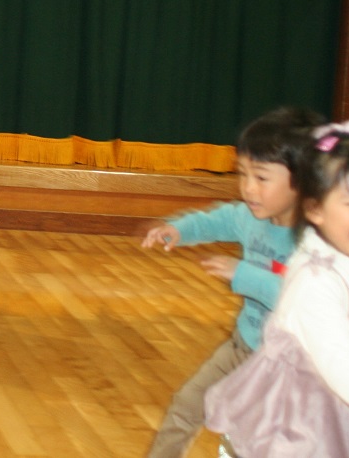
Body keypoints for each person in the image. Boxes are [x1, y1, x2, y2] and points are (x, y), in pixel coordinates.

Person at [205, 118, 349, 457]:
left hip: (340, 406)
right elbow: (342, 368)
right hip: (293, 425)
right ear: (314, 208)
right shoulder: (314, 282)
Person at [139, 106, 324, 458]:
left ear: (303, 179)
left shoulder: (317, 242)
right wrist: (178, 230)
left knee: (256, 441)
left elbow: (303, 302)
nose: (248, 188)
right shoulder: (251, 217)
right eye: (243, 174)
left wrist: (245, 276)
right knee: (186, 407)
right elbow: (219, 220)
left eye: (261, 178)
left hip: (292, 367)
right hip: (243, 347)